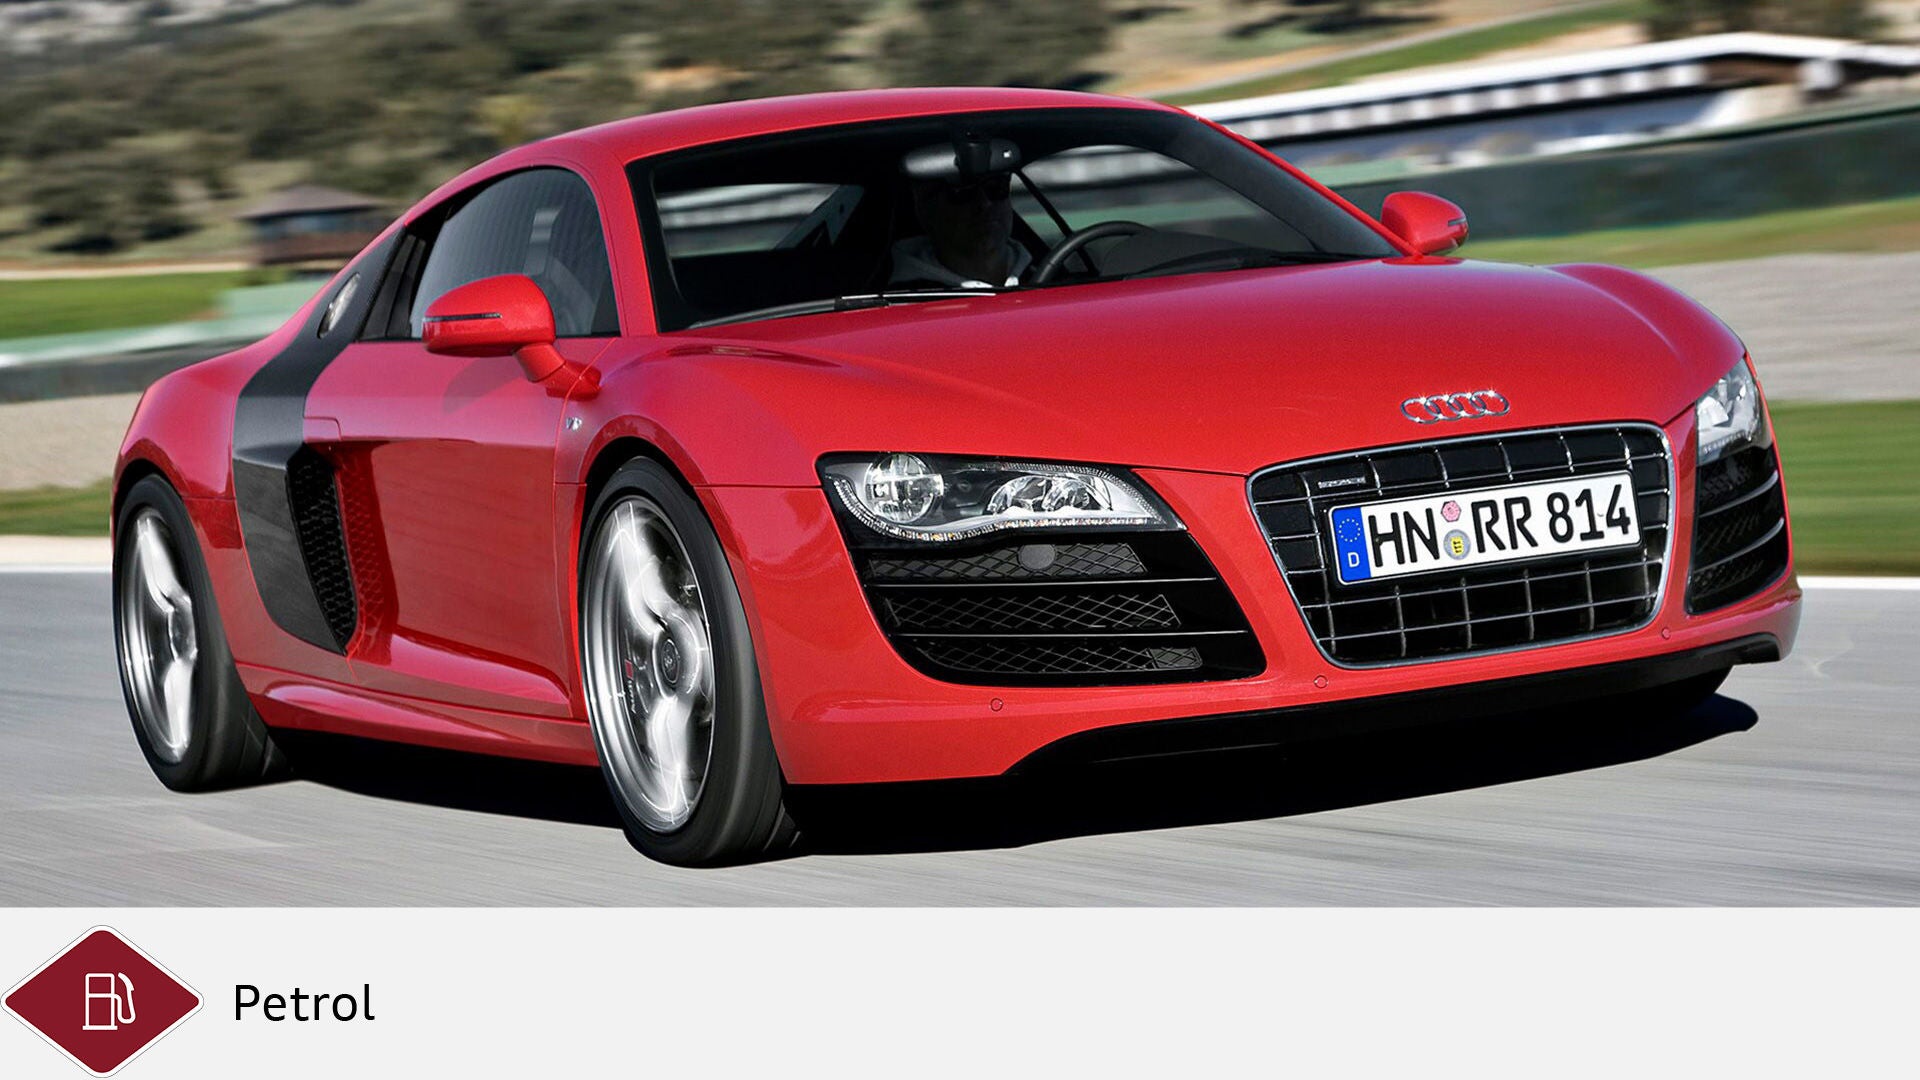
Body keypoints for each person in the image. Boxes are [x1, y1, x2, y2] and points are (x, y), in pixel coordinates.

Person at [888, 171, 1032, 289]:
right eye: (963, 192)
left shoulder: (1045, 274)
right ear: (923, 207)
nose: (985, 203)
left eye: (996, 187)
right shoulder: (903, 302)